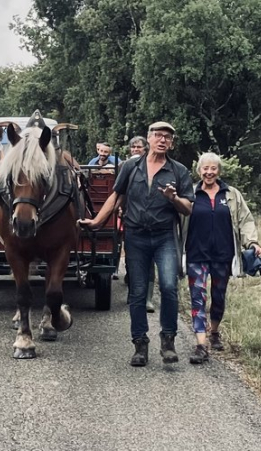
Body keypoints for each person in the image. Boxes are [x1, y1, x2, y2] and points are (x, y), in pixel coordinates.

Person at [79, 122, 194, 367]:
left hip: (164, 236)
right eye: (158, 136)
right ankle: (140, 344)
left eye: (167, 137)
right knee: (138, 292)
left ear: (171, 143)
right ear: (149, 139)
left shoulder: (179, 171)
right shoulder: (130, 166)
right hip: (136, 236)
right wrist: (98, 221)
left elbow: (188, 208)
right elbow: (116, 195)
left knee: (169, 287)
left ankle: (168, 341)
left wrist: (173, 198)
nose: (163, 140)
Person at [183, 152, 261, 364]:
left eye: (213, 169)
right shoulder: (190, 193)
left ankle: (214, 331)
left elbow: (246, 220)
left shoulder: (232, 194)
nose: (209, 172)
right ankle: (201, 344)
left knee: (218, 295)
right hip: (196, 254)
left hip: (223, 255)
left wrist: (252, 243)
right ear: (198, 171)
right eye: (205, 169)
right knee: (198, 297)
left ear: (219, 171)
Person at [118, 135, 155, 313]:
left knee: (150, 261)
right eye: (132, 148)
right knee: (132, 258)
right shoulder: (124, 166)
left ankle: (148, 298)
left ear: (145, 149)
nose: (135, 150)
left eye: (138, 147)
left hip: (152, 221)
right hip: (129, 217)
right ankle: (133, 292)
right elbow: (118, 192)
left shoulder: (153, 166)